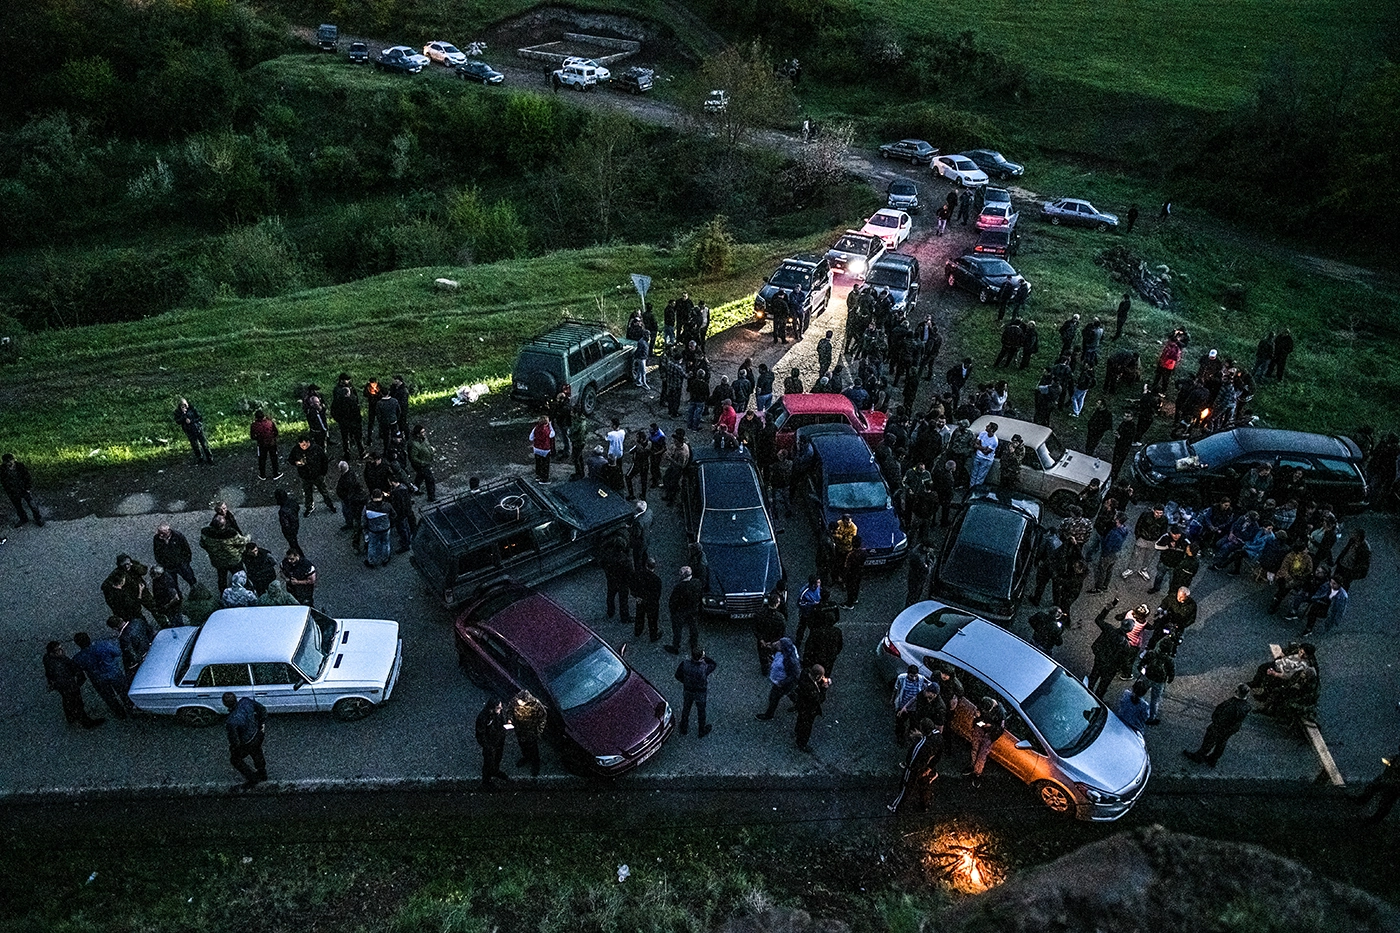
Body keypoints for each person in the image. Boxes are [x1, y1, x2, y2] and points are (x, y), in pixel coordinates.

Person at [1183, 684, 1252, 768]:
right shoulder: (1247, 706)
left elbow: (1220, 717)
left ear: (1237, 691)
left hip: (1220, 727)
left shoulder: (1231, 706)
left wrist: (1215, 720)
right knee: (1222, 742)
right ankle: (1213, 759)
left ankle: (1199, 757)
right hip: (1232, 728)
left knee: (1209, 741)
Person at [43, 641, 105, 728]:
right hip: (69, 686)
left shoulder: (47, 658)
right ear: (53, 652)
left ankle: (70, 717)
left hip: (61, 686)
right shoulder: (61, 662)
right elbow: (73, 670)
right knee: (77, 703)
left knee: (67, 700)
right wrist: (77, 683)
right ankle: (85, 722)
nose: (62, 651)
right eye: (59, 650)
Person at [889, 718, 942, 812]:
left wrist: (908, 766)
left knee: (906, 787)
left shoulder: (921, 746)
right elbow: (938, 754)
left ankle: (896, 807)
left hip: (915, 769)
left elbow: (912, 760)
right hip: (926, 766)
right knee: (925, 786)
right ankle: (925, 804)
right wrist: (930, 768)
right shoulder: (938, 737)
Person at [223, 692, 268, 789]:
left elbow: (235, 741)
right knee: (257, 752)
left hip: (247, 742)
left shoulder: (231, 721)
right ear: (236, 698)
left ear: (225, 704)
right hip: (258, 734)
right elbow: (262, 709)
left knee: (235, 760)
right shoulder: (246, 701)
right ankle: (262, 773)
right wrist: (262, 723)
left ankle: (252, 778)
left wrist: (233, 749)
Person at [199, 514, 250, 593]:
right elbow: (242, 542)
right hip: (233, 560)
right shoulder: (231, 533)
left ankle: (223, 594)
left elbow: (202, 544)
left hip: (218, 561)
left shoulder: (206, 532)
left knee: (222, 578)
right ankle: (246, 591)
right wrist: (248, 537)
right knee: (240, 575)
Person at [675, 646, 717, 737]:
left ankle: (684, 727)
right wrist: (704, 657)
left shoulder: (685, 664)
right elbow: (713, 664)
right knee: (701, 711)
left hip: (688, 690)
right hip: (700, 692)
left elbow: (677, 675)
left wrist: (685, 682)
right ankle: (701, 730)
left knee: (686, 708)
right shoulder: (704, 668)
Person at [963, 696, 1005, 789]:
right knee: (974, 749)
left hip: (989, 735)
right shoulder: (983, 703)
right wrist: (977, 717)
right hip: (979, 730)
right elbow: (976, 716)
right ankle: (972, 766)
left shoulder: (1001, 713)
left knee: (982, 755)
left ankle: (977, 774)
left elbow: (1000, 730)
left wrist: (990, 726)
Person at [756, 636, 800, 720]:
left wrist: (782, 683)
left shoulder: (790, 661)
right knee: (789, 692)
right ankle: (798, 703)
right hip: (783, 682)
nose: (777, 643)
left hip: (782, 682)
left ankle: (769, 715)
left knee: (774, 697)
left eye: (780, 643)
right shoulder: (785, 651)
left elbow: (795, 675)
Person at [1354, 745, 1400, 825]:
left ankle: (1374, 820)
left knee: (1387, 801)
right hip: (1388, 780)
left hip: (1394, 783)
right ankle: (1362, 801)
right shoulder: (1396, 758)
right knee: (1375, 788)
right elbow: (1389, 767)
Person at [665, 565, 703, 656]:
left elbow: (673, 602)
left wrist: (673, 612)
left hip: (680, 611)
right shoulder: (697, 583)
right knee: (693, 627)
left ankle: (676, 647)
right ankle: (694, 644)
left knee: (677, 629)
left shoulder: (679, 587)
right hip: (693, 609)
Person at [508, 689, 548, 777]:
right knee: (522, 745)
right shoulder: (515, 700)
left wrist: (539, 731)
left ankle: (535, 764)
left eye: (521, 702)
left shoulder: (536, 704)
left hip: (531, 730)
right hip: (519, 729)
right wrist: (510, 719)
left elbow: (543, 718)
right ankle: (526, 757)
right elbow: (510, 710)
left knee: (533, 748)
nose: (518, 704)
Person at [474, 697, 510, 791]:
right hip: (490, 743)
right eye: (498, 707)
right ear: (492, 708)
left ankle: (495, 771)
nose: (501, 709)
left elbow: (502, 721)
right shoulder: (483, 717)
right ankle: (486, 782)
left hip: (499, 740)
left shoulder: (499, 713)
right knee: (488, 762)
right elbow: (480, 734)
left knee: (498, 757)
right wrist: (487, 746)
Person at [793, 663, 829, 754]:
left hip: (801, 704)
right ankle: (802, 743)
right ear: (817, 676)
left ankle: (797, 730)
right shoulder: (810, 689)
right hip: (808, 709)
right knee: (807, 727)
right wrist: (824, 688)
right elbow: (819, 699)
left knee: (800, 718)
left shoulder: (805, 673)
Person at [1, 453, 44, 527]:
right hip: (12, 491)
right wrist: (8, 490)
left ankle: (38, 518)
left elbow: (27, 476)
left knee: (32, 504)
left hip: (23, 489)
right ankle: (23, 518)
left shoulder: (20, 466)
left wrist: (28, 488)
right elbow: (3, 481)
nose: (9, 463)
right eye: (7, 462)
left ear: (13, 460)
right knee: (18, 507)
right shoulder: (2, 469)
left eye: (10, 461)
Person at [892, 664, 930, 745]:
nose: (913, 678)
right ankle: (900, 738)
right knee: (900, 724)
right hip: (902, 705)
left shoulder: (921, 679)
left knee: (913, 724)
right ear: (907, 673)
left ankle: (911, 737)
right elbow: (896, 690)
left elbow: (929, 684)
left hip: (914, 708)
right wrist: (892, 700)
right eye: (911, 676)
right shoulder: (901, 678)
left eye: (915, 676)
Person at [173, 398, 214, 465]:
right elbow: (178, 421)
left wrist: (192, 421)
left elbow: (199, 417)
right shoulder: (178, 412)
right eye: (182, 406)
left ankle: (209, 457)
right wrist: (183, 416)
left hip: (198, 428)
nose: (185, 407)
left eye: (185, 405)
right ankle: (200, 458)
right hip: (189, 431)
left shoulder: (192, 409)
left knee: (204, 443)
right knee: (195, 445)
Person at [362, 489, 394, 569]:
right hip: (385, 528)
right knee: (386, 543)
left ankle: (371, 561)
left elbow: (363, 519)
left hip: (373, 530)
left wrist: (365, 528)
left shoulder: (367, 507)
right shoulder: (387, 506)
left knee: (372, 545)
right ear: (382, 496)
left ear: (372, 497)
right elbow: (394, 515)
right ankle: (385, 559)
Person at [249, 409, 282, 481]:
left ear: (256, 417)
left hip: (261, 444)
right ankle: (275, 474)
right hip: (272, 443)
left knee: (262, 459)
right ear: (264, 416)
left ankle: (262, 475)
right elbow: (276, 432)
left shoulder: (254, 425)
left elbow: (252, 436)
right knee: (274, 458)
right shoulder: (270, 423)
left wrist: (258, 438)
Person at [407, 425, 437, 502]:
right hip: (421, 465)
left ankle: (415, 489)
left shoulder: (423, 439)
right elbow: (413, 458)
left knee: (420, 476)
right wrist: (422, 463)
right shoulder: (414, 444)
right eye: (422, 432)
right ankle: (431, 497)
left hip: (426, 462)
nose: (424, 433)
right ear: (418, 434)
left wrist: (431, 450)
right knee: (430, 480)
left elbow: (427, 445)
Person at [529, 416, 554, 484]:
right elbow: (552, 435)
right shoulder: (548, 430)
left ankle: (538, 476)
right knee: (545, 464)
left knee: (538, 463)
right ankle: (544, 479)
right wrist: (551, 426)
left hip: (536, 448)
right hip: (545, 449)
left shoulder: (536, 428)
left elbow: (530, 438)